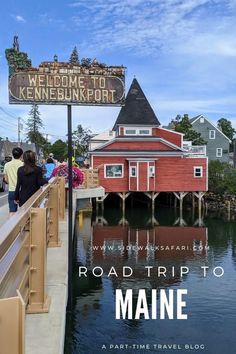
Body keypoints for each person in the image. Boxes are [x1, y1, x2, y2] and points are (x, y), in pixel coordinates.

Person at [3, 147, 23, 215]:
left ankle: (10, 225)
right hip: (21, 190)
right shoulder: (23, 164)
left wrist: (12, 183)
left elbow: (5, 179)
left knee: (12, 211)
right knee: (22, 211)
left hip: (11, 191)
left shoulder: (7, 165)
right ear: (21, 155)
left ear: (12, 154)